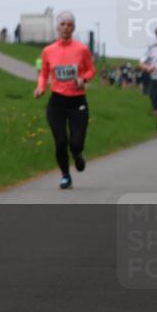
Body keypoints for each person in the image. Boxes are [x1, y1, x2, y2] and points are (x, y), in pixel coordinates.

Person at [34, 11, 95, 189]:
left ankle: (77, 155)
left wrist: (83, 79)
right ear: (57, 27)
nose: (66, 28)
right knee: (60, 141)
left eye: (69, 25)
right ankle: (65, 175)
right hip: (57, 103)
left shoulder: (82, 49)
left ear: (74, 28)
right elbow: (44, 73)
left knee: (76, 144)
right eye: (63, 24)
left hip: (78, 102)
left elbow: (91, 70)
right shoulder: (48, 50)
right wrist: (40, 88)